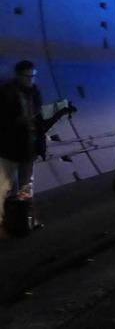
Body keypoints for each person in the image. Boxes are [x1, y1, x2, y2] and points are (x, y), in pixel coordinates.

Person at [0, 60, 75, 237]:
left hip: (28, 148)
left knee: (26, 186)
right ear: (18, 75)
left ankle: (26, 218)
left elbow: (38, 118)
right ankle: (2, 224)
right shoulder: (7, 92)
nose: (30, 80)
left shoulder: (34, 92)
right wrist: (17, 121)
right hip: (8, 147)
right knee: (3, 186)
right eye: (27, 76)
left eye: (33, 76)